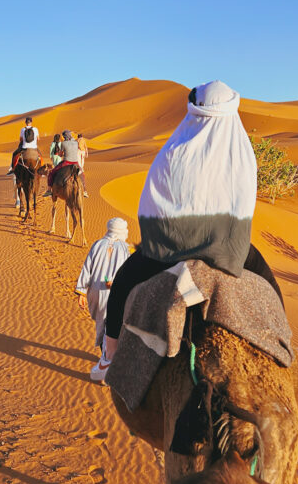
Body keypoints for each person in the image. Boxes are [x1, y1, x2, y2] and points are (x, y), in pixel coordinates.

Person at [90, 80, 260, 383]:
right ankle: (280, 348)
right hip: (228, 250)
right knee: (269, 286)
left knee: (121, 286)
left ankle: (109, 358)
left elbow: (156, 204)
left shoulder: (175, 150)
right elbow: (244, 207)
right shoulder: (243, 154)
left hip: (169, 250)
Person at [75, 218, 131, 358]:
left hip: (96, 293)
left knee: (102, 325)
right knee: (112, 329)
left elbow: (87, 268)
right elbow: (128, 273)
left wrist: (81, 292)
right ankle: (106, 361)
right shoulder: (125, 249)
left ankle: (105, 357)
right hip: (115, 295)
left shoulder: (97, 244)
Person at [43, 129, 82, 197]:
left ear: (65, 137)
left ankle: (49, 190)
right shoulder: (76, 142)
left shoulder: (63, 143)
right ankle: (84, 190)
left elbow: (61, 154)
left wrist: (61, 154)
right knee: (82, 174)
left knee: (52, 172)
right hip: (76, 163)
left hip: (67, 162)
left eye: (63, 137)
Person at [76, 133, 90, 198]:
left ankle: (80, 169)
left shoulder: (77, 140)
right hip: (82, 151)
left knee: (79, 161)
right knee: (82, 161)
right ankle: (81, 169)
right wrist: (87, 152)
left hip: (79, 151)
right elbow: (85, 146)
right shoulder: (83, 140)